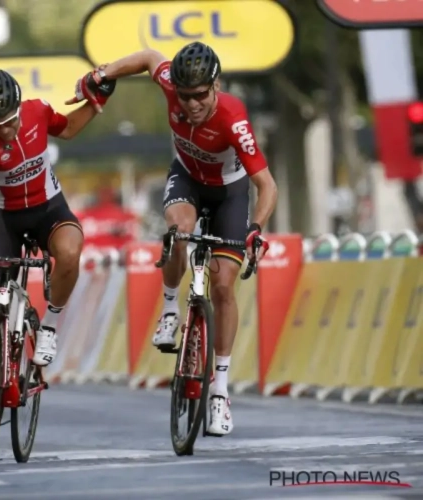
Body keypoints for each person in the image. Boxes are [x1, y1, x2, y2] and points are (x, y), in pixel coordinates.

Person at [71, 42, 277, 436]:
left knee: (221, 287)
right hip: (186, 178)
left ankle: (219, 390)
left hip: (229, 193)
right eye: (185, 96)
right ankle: (169, 312)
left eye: (201, 95)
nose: (193, 104)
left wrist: (256, 226)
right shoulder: (171, 83)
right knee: (178, 232)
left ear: (215, 85)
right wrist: (103, 74)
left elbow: (267, 185)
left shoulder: (234, 118)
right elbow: (149, 56)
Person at [0, 68, 115, 439]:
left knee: (69, 253)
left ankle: (50, 326)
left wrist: (96, 101)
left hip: (48, 209)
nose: (5, 129)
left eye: (10, 121)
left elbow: (67, 128)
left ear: (20, 106)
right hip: (4, 218)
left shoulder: (37, 111)